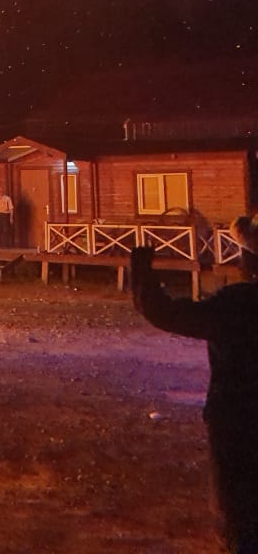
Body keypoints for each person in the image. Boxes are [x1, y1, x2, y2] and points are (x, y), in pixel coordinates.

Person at [131, 216, 258, 553]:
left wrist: (143, 271)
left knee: (239, 516)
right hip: (234, 420)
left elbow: (166, 313)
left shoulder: (237, 303)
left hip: (236, 422)